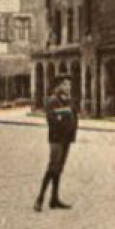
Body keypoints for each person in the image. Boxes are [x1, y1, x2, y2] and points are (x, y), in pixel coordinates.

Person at [35, 76, 77, 212]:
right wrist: (64, 118)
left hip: (66, 139)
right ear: (58, 86)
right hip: (56, 138)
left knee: (59, 169)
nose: (68, 87)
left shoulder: (68, 101)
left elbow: (73, 117)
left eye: (69, 85)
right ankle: (40, 199)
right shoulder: (52, 101)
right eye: (65, 85)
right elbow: (52, 120)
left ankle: (54, 199)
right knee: (52, 167)